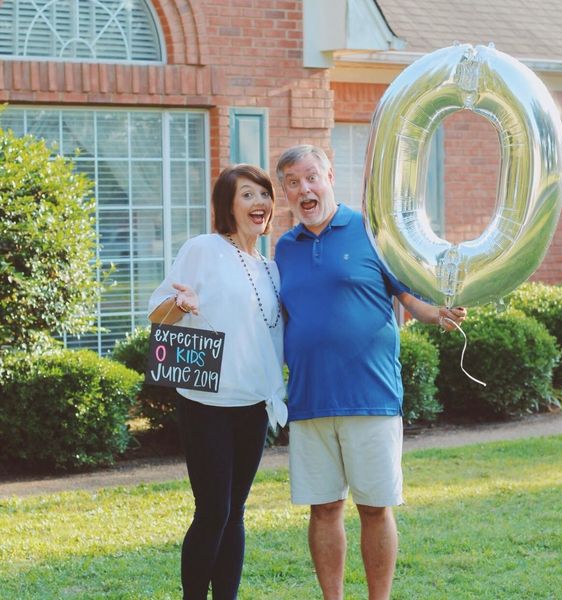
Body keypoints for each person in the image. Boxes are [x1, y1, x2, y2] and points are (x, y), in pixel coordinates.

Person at [274, 145, 466, 600]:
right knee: (322, 508)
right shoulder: (283, 248)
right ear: (284, 191)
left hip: (371, 395)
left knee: (375, 509)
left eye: (311, 178)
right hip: (308, 400)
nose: (305, 189)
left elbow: (409, 299)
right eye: (293, 183)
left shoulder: (370, 231)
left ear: (329, 176)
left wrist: (437, 313)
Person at [148, 164, 287, 600]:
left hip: (252, 404)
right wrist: (180, 302)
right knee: (213, 511)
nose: (259, 203)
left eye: (263, 194)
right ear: (228, 205)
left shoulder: (270, 268)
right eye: (247, 195)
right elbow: (157, 311)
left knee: (237, 513)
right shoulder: (204, 248)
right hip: (206, 402)